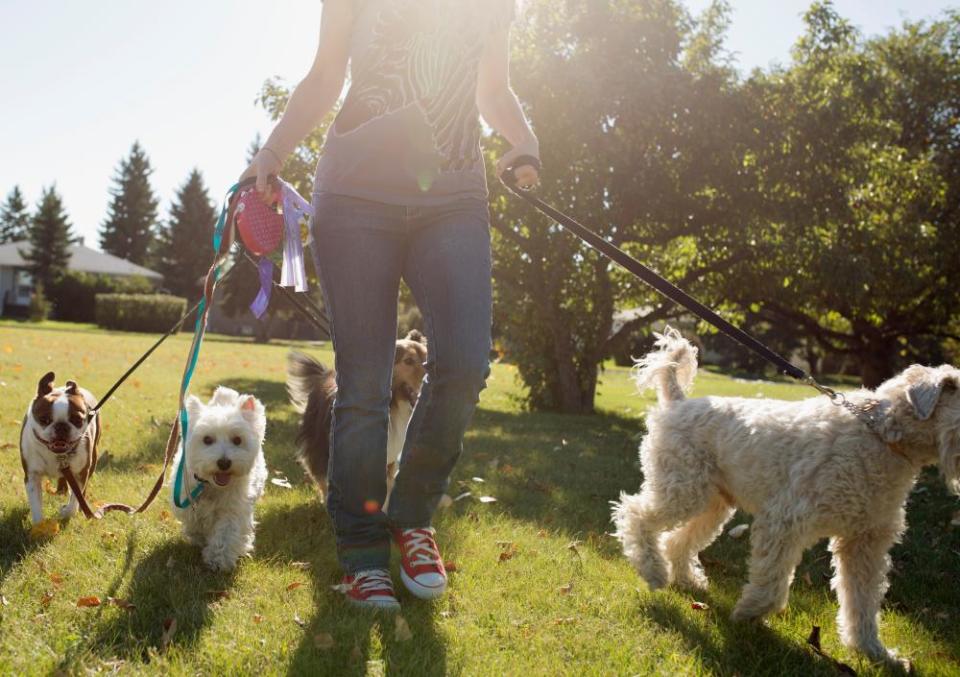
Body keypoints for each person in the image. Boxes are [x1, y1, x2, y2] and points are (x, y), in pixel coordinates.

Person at [241, 0, 539, 611]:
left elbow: (494, 88)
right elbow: (325, 77)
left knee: (461, 361)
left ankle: (411, 517)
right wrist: (272, 153)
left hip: (453, 194)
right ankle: (361, 553)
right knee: (364, 381)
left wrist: (525, 140)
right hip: (354, 195)